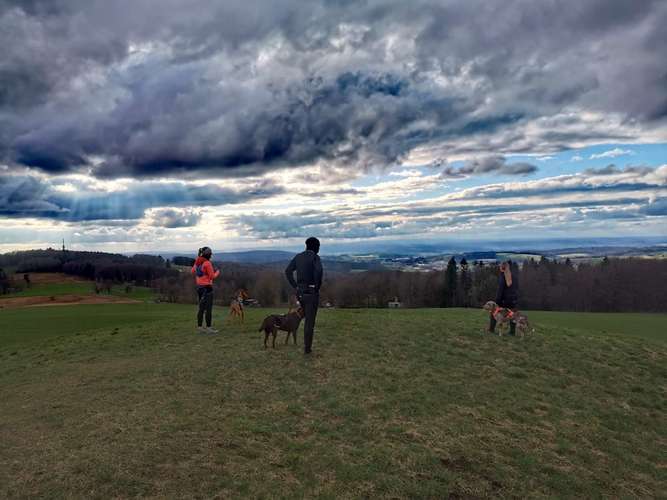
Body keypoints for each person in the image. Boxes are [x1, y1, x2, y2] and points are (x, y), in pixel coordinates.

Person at [285, 237, 323, 355]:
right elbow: (319, 272)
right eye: (319, 247)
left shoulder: (298, 257)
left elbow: (288, 271)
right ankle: (307, 349)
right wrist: (316, 287)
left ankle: (292, 331)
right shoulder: (315, 257)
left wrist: (295, 286)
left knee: (304, 317)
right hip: (311, 293)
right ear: (316, 247)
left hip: (300, 293)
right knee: (309, 323)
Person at [192, 247, 220, 334]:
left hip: (199, 288)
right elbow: (212, 276)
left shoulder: (197, 262)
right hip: (207, 288)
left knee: (201, 308)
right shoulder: (207, 263)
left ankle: (200, 327)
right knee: (208, 309)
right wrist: (217, 272)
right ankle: (209, 328)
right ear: (209, 255)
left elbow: (192, 271)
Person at [490, 261, 519, 335]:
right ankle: (512, 332)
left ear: (501, 268)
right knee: (513, 315)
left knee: (493, 312)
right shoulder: (514, 277)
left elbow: (500, 291)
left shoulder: (502, 277)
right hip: (513, 300)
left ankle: (491, 330)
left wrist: (497, 302)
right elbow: (517, 288)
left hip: (504, 301)